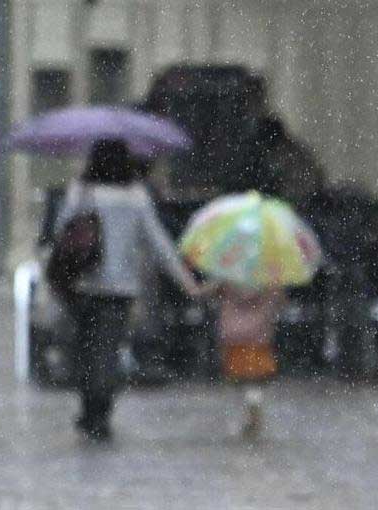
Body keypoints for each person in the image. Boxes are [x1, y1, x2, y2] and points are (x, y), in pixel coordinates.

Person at [55, 139, 203, 441]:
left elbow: (61, 231)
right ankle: (100, 410)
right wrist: (186, 281)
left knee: (86, 348)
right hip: (119, 288)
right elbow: (158, 242)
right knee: (107, 349)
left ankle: (90, 408)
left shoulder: (81, 192)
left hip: (83, 283)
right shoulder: (136, 196)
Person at [217, 283, 285, 438]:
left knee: (239, 383)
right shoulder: (267, 281)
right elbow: (280, 302)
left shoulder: (229, 278)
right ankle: (252, 412)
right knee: (255, 382)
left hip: (234, 338)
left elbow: (201, 292)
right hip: (258, 339)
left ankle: (247, 416)